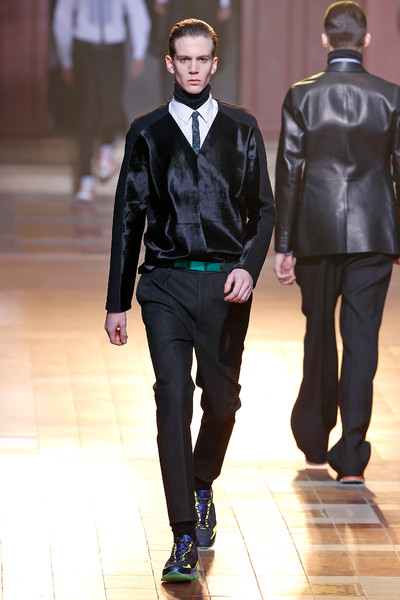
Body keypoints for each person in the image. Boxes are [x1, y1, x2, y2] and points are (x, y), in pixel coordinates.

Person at [105, 18, 275, 582]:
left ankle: (202, 483)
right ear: (170, 64)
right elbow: (128, 217)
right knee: (173, 398)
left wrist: (248, 268)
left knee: (222, 403)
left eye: (203, 59)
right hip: (166, 285)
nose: (194, 68)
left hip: (227, 286)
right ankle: (182, 536)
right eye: (185, 59)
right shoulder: (147, 132)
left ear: (214, 64)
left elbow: (264, 210)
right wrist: (116, 301)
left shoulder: (242, 128)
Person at [274, 1, 400, 484]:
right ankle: (351, 457)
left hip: (316, 232)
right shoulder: (390, 96)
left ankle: (312, 437)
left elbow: (290, 172)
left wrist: (284, 244)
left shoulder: (302, 95)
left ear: (325, 39)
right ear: (365, 40)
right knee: (362, 340)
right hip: (375, 234)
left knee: (319, 334)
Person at [53, 0, 151, 201]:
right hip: (84, 48)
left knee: (111, 104)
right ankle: (85, 178)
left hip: (113, 49)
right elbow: (62, 17)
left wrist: (139, 52)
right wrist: (66, 59)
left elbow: (138, 14)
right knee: (86, 111)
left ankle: (107, 144)